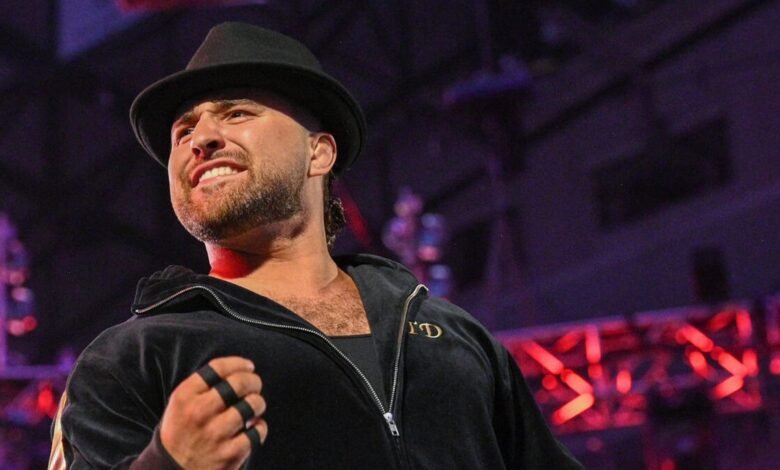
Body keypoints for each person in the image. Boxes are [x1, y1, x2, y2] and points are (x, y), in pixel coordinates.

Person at [49, 22, 583, 469]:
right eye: (182, 131)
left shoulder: (455, 336)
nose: (200, 138)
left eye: (236, 113)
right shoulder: (132, 358)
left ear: (319, 152)